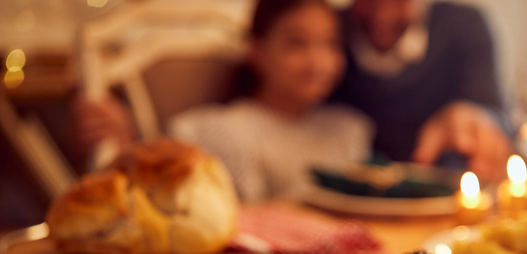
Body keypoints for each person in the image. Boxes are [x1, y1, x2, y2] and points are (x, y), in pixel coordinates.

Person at [78, 0, 372, 202]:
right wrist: (127, 139)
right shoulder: (219, 131)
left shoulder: (346, 129)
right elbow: (162, 190)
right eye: (296, 43)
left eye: (331, 44)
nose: (318, 61)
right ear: (255, 48)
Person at [333, 0, 513, 182]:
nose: (382, 14)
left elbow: (500, 118)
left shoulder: (465, 25)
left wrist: (474, 115)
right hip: (340, 196)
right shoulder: (329, 29)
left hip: (444, 193)